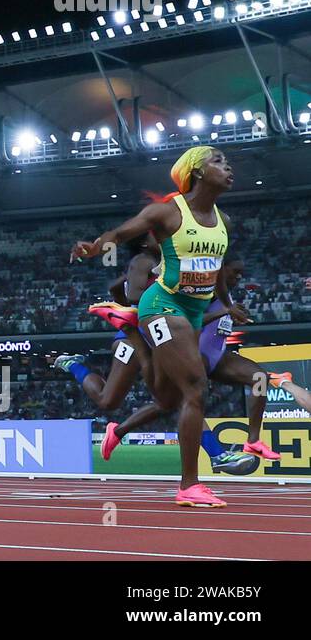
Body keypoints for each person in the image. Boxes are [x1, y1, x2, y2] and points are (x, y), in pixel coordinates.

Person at [70, 146, 243, 508]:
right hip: (163, 305)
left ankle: (129, 328)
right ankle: (189, 485)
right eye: (218, 161)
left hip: (193, 312)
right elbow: (120, 233)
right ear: (196, 172)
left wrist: (227, 306)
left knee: (167, 399)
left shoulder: (223, 220)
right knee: (196, 386)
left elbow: (217, 269)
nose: (227, 166)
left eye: (227, 161)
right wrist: (95, 247)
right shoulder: (168, 212)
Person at [57, 238, 258, 475]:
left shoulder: (177, 264)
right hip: (134, 338)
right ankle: (75, 366)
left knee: (178, 396)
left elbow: (115, 287)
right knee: (107, 400)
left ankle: (217, 454)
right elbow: (131, 294)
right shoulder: (144, 261)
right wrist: (132, 308)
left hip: (159, 336)